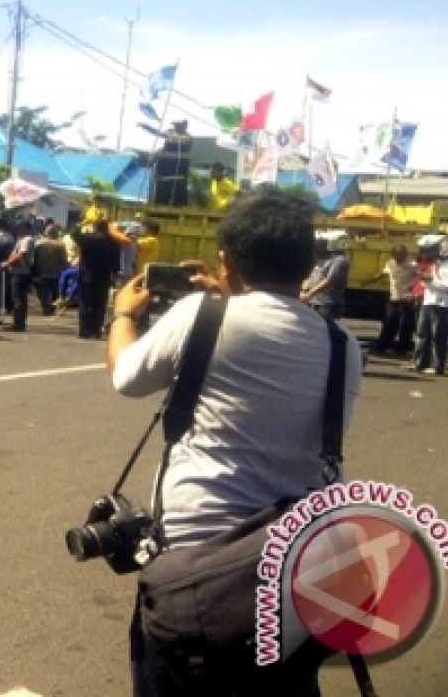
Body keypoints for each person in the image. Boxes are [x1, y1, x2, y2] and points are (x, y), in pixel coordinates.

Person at [106, 190, 363, 696]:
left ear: (225, 261)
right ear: (309, 265)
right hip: (293, 566)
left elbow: (127, 378)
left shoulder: (203, 313)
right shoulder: (343, 345)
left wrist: (123, 316)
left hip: (192, 566)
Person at [404, 234, 448, 375]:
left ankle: (438, 366)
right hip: (428, 301)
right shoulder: (436, 264)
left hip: (441, 304)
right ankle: (420, 362)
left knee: (439, 336)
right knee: (422, 333)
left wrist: (433, 282)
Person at [365, 243, 418, 356]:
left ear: (406, 255)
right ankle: (382, 347)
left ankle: (402, 349)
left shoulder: (412, 265)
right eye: (398, 254)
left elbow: (420, 279)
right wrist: (371, 280)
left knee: (405, 326)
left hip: (406, 300)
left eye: (403, 254)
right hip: (394, 298)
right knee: (389, 323)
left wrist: (414, 293)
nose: (400, 256)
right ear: (393, 254)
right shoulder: (390, 263)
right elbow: (384, 273)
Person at [73, 219, 122, 339]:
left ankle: (84, 330)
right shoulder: (114, 243)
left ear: (94, 228)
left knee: (85, 303)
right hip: (103, 278)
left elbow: (73, 233)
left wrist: (82, 223)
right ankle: (96, 330)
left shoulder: (88, 240)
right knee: (99, 305)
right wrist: (114, 279)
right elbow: (115, 265)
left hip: (87, 276)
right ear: (107, 229)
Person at [300, 232, 350, 319]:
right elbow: (311, 277)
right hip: (314, 302)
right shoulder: (321, 259)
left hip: (327, 304)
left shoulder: (339, 261)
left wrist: (309, 294)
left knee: (325, 327)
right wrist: (303, 291)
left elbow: (329, 280)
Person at [0, 219, 35, 332]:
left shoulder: (27, 239)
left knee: (18, 298)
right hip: (17, 271)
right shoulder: (21, 239)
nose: (18, 229)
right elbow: (14, 254)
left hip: (21, 272)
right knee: (17, 298)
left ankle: (19, 324)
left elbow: (20, 255)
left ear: (25, 228)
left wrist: (7, 263)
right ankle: (18, 322)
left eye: (20, 227)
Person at [33, 224, 67, 316]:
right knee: (55, 293)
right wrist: (64, 269)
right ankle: (52, 308)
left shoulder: (39, 243)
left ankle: (45, 309)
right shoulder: (60, 244)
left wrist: (35, 270)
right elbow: (63, 260)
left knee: (43, 293)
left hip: (42, 272)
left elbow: (34, 258)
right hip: (56, 272)